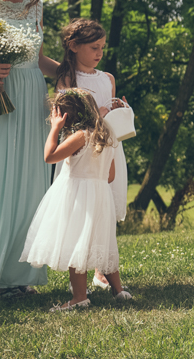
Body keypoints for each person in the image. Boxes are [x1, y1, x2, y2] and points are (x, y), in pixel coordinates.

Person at [0, 0, 60, 300]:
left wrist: (72, 73)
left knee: (31, 183)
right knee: (0, 181)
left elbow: (40, 59)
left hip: (32, 95)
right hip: (1, 92)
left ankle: (16, 279)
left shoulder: (36, 5)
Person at [20, 90, 131, 311]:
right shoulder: (107, 134)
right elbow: (110, 176)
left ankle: (79, 297)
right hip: (100, 196)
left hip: (78, 197)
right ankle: (119, 292)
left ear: (66, 116)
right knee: (103, 244)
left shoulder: (80, 136)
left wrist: (54, 128)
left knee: (75, 243)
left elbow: (49, 156)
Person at [55, 19, 129, 290]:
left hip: (108, 151)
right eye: (94, 47)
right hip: (82, 154)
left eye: (102, 48)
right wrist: (101, 114)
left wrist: (119, 109)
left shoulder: (107, 78)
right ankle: (86, 272)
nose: (99, 53)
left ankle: (103, 270)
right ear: (74, 47)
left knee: (105, 208)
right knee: (83, 212)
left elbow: (111, 113)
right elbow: (70, 118)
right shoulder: (67, 79)